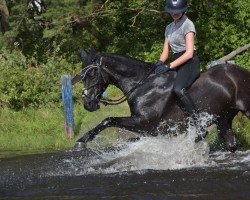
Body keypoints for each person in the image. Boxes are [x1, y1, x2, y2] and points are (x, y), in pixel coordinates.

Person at [155, 0, 200, 118]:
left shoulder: (188, 24)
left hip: (189, 62)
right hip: (176, 60)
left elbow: (189, 53)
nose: (174, 14)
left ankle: (198, 121)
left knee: (178, 89)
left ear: (184, 10)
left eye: (178, 12)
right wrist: (159, 63)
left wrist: (169, 66)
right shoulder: (168, 27)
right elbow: (165, 52)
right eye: (172, 12)